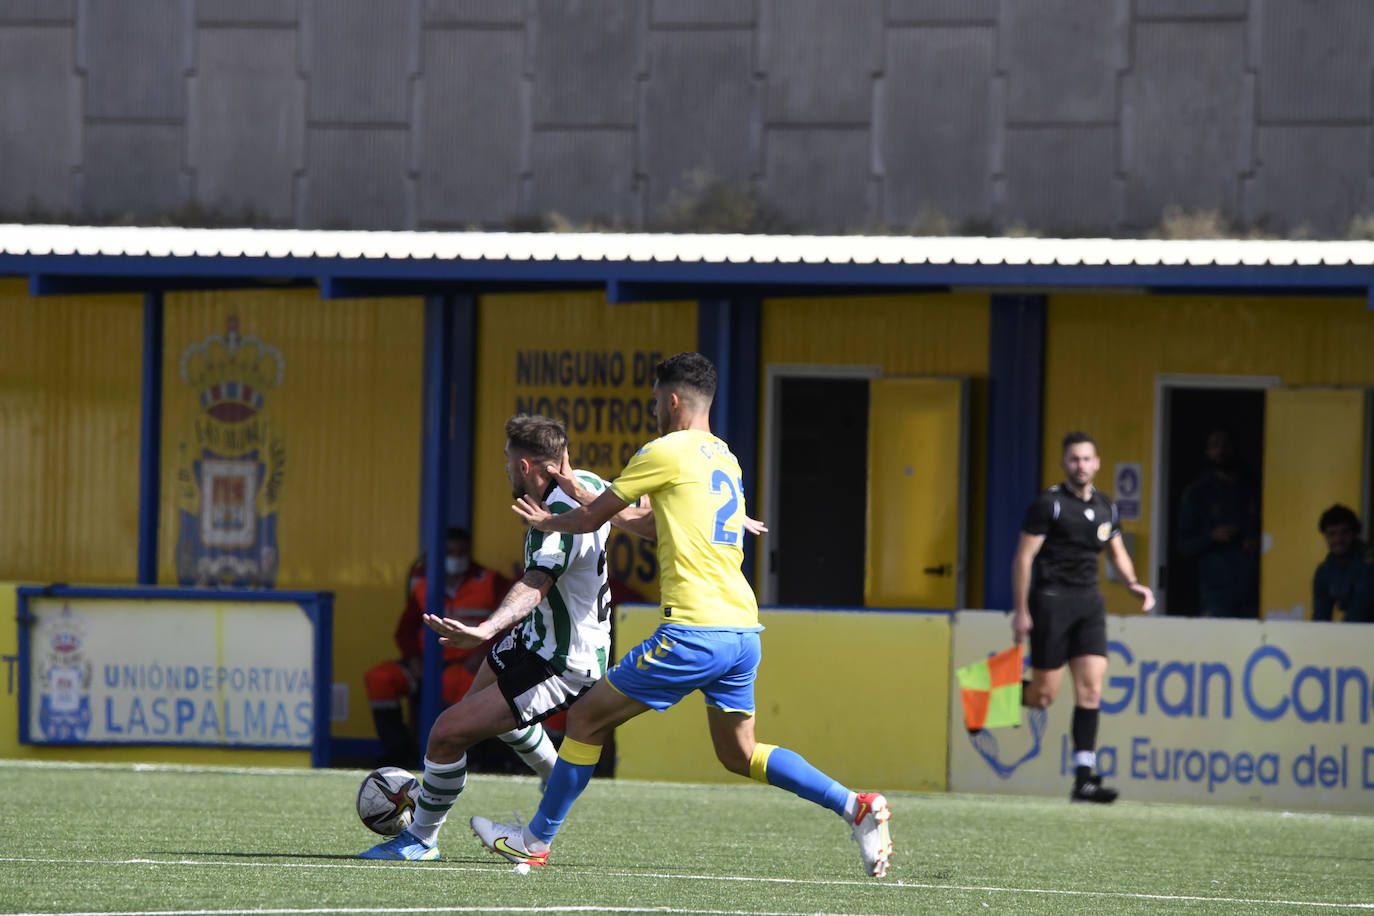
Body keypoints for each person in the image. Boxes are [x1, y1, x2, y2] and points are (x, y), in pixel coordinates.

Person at [471, 351, 894, 878]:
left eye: (653, 402)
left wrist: (554, 520)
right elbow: (646, 524)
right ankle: (855, 805)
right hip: (742, 631)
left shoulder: (663, 450)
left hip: (692, 632)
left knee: (584, 719)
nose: (653, 412)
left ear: (671, 401)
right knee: (739, 754)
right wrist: (584, 493)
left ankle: (534, 841)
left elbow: (594, 519)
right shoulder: (724, 458)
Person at [360, 413, 656, 860]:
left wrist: (483, 629)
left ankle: (421, 839)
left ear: (525, 467)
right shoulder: (589, 484)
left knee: (445, 734)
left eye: (506, 460)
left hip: (561, 660)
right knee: (474, 720)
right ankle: (556, 777)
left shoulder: (557, 518)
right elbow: (640, 510)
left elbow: (535, 585)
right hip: (535, 639)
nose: (504, 469)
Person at [1011, 431, 1155, 803]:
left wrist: (1134, 583)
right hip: (1051, 601)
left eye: (1087, 459)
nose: (1081, 465)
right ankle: (985, 697)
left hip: (1089, 604)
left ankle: (1084, 779)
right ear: (1064, 463)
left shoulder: (1107, 506)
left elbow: (1117, 551)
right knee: (1044, 696)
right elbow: (1024, 557)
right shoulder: (1050, 504)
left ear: (1097, 463)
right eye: (1074, 459)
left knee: (1091, 689)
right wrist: (1022, 611)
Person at [362, 527, 507, 768]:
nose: (455, 557)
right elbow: (405, 630)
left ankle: (463, 759)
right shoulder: (423, 582)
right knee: (379, 679)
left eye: (461, 552)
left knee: (463, 689)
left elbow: (506, 624)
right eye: (450, 552)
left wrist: (485, 654)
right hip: (425, 665)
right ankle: (400, 752)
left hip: (467, 664)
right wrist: (413, 659)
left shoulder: (489, 580)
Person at [1175, 427, 1260, 618]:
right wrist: (1212, 537)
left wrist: (1258, 541)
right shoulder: (1197, 492)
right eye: (1215, 446)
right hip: (1216, 596)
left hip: (1254, 592)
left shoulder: (1254, 486)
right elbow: (1183, 546)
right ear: (1207, 451)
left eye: (1225, 445)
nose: (1221, 451)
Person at [1312, 504, 1374, 623]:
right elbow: (1320, 617)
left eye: (1345, 532)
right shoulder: (1324, 571)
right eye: (1332, 534)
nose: (1338, 540)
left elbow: (1360, 611)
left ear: (1355, 533)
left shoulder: (1369, 564)